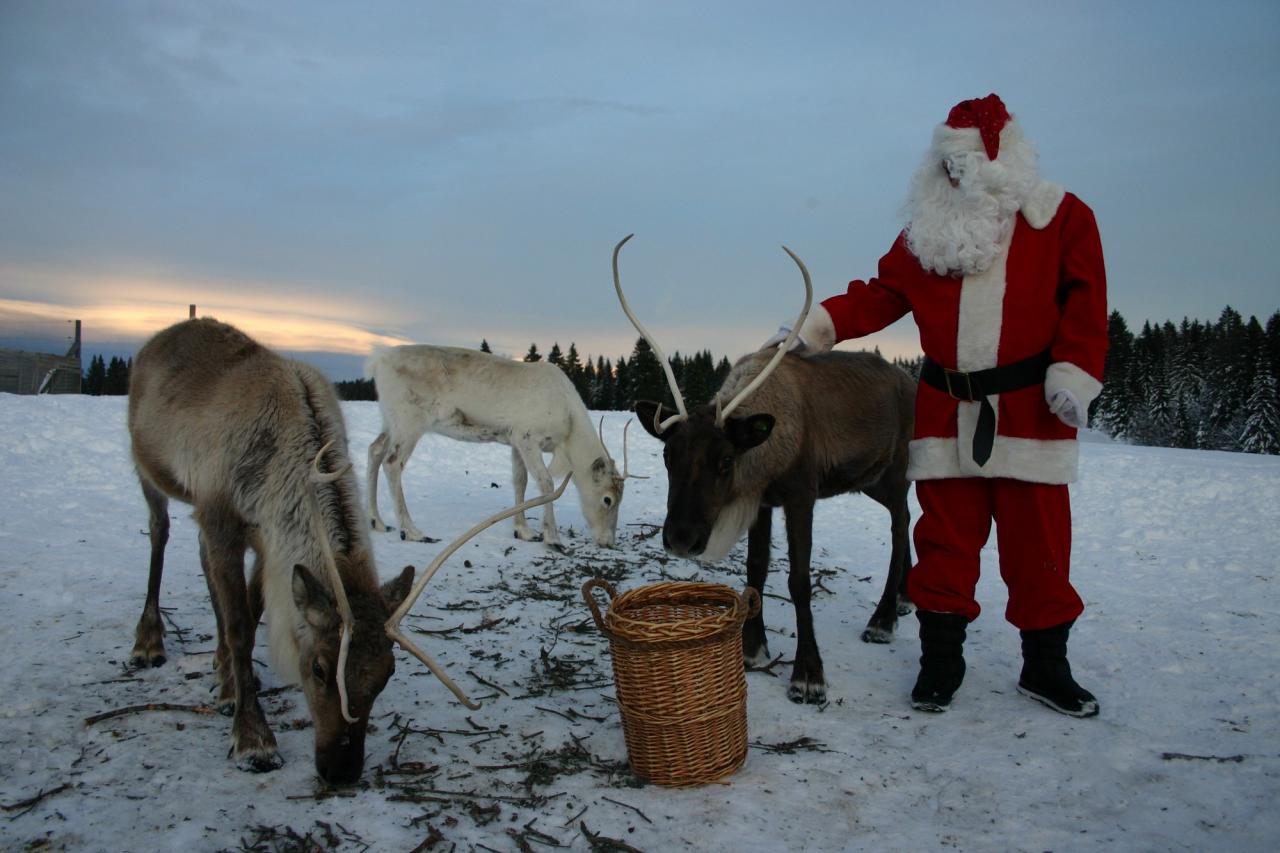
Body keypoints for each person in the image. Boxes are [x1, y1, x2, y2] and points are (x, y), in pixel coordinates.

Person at [768, 94, 1107, 717]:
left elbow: (1086, 304)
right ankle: (940, 664)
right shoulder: (926, 233)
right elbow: (878, 296)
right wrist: (810, 330)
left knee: (1039, 546)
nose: (953, 175)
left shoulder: (1061, 218)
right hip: (946, 410)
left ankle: (1046, 668)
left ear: (999, 160)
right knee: (945, 544)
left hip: (1030, 410)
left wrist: (1075, 374)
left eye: (964, 164)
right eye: (944, 163)